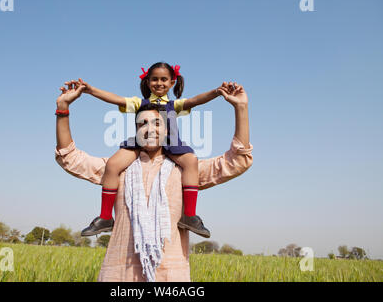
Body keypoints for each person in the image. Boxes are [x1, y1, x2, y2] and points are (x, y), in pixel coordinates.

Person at [55, 79, 253, 281]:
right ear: (135, 132)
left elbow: (237, 160)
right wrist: (63, 108)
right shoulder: (118, 169)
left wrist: (241, 108)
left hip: (170, 276)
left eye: (157, 123)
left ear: (168, 131)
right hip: (119, 275)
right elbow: (69, 157)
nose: (150, 129)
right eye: (142, 124)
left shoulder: (183, 171)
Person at [63, 62, 225, 239]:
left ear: (172, 82)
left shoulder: (174, 105)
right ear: (147, 82)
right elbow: (115, 98)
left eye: (164, 79)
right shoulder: (139, 103)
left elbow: (195, 100)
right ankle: (105, 217)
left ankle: (189, 215)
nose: (159, 83)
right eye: (154, 79)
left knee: (191, 161)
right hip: (142, 143)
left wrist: (216, 92)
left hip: (170, 143)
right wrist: (90, 90)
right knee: (113, 164)